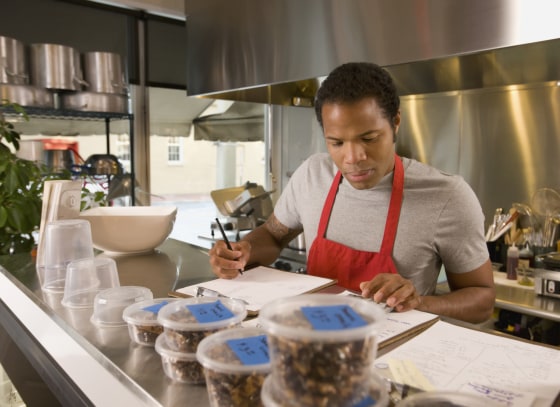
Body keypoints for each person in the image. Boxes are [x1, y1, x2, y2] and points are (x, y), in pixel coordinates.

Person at [209, 62, 495, 324]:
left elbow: (481, 300)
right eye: (336, 143)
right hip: (308, 342)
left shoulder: (447, 196)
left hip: (390, 362)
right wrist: (244, 251)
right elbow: (272, 235)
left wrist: (419, 302)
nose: (352, 157)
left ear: (395, 122)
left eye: (368, 138)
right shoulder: (311, 175)